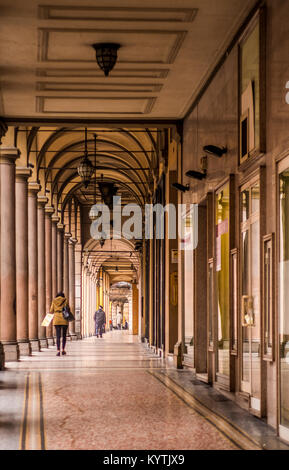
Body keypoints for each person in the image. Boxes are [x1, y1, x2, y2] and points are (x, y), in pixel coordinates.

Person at [50, 291, 70, 356]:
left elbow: (51, 310)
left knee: (58, 336)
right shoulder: (65, 300)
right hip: (64, 319)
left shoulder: (54, 301)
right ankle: (63, 350)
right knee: (64, 336)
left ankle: (58, 350)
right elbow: (68, 309)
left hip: (56, 319)